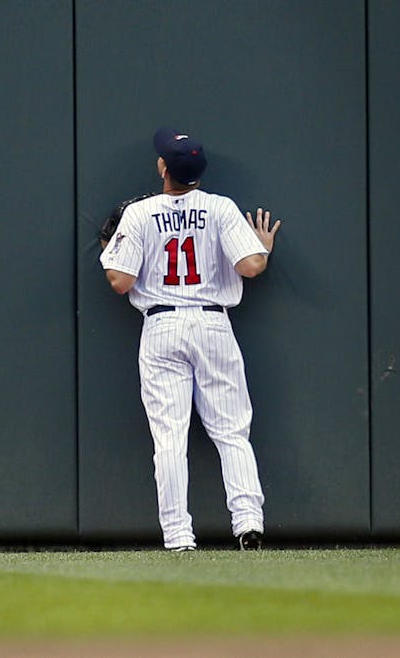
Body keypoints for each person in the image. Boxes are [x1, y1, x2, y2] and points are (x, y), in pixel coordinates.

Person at [97, 127, 280, 552]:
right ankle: (248, 523)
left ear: (164, 167)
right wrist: (264, 247)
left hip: (162, 326)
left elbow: (120, 281)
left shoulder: (140, 214)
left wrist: (110, 246)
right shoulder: (219, 208)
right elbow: (251, 266)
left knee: (169, 438)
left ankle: (179, 536)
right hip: (214, 323)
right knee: (232, 431)